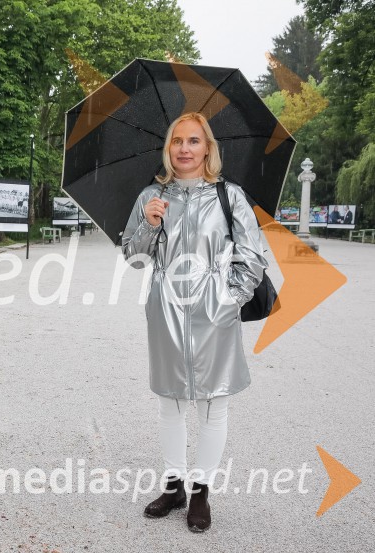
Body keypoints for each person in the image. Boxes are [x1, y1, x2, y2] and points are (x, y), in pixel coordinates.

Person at [121, 112, 267, 533]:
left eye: (194, 141)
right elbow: (132, 257)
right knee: (170, 402)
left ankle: (201, 490)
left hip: (214, 311)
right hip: (165, 311)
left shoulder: (230, 196)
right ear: (168, 148)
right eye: (177, 141)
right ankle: (173, 486)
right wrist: (149, 224)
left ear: (208, 148)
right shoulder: (152, 195)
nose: (184, 148)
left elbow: (252, 255)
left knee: (213, 403)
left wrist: (228, 299)